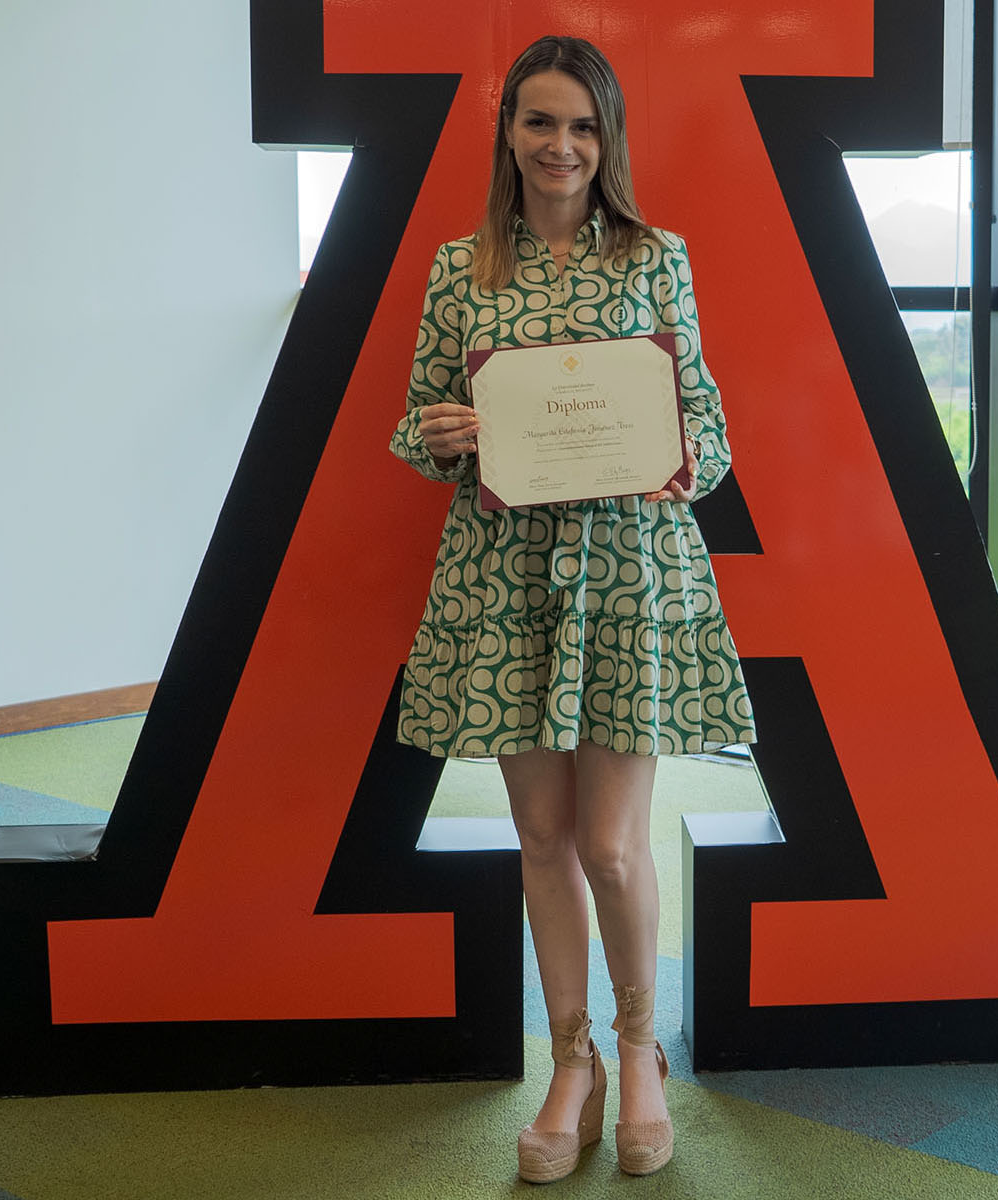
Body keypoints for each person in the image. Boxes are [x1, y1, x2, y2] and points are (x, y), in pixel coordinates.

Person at [387, 34, 754, 1183]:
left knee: (608, 840)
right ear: (509, 133)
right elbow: (414, 428)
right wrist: (441, 435)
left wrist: (674, 456)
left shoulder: (658, 256)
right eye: (541, 123)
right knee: (541, 837)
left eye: (584, 127)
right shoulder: (462, 269)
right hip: (505, 578)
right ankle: (572, 1061)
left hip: (628, 572)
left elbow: (713, 439)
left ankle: (641, 1053)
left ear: (610, 141)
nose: (561, 147)